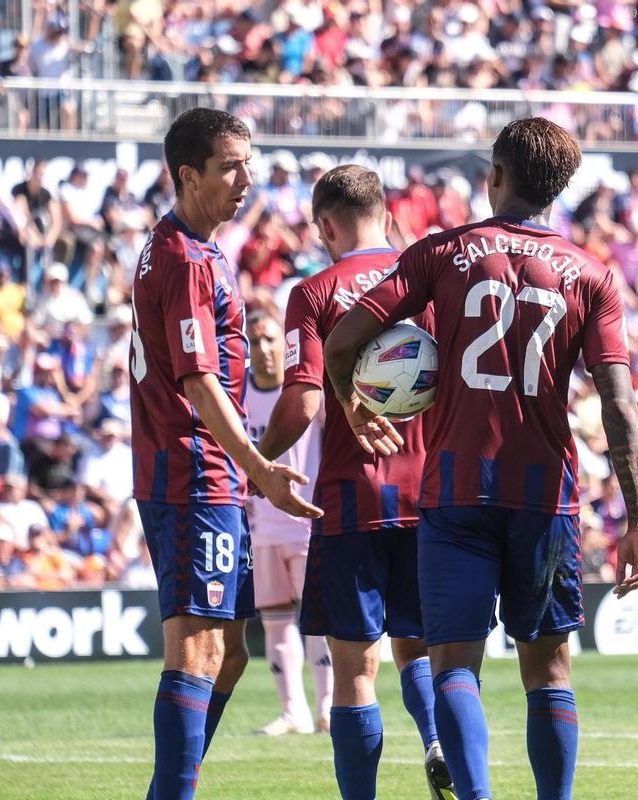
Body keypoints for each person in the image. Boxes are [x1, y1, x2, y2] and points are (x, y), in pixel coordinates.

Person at [324, 118, 638, 800]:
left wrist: (355, 406)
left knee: (454, 668)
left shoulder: (441, 253)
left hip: (456, 495)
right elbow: (620, 405)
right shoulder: (594, 276)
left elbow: (344, 339)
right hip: (545, 497)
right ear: (560, 188)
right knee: (550, 671)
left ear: (494, 176)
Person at [130, 107, 319, 800]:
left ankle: (174, 782)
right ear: (188, 175)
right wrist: (258, 467)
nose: (246, 180)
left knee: (232, 651)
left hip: (204, 472)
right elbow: (199, 381)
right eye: (229, 167)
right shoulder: (182, 257)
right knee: (199, 647)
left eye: (248, 163)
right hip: (190, 471)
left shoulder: (194, 248)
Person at [258, 165, 454, 800]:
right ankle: (437, 742)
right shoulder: (429, 284)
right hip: (430, 495)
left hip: (352, 498)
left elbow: (304, 401)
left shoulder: (314, 292)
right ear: (388, 216)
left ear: (324, 226)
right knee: (421, 647)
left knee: (353, 666)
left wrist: (256, 460)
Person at [244, 310, 334, 737]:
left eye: (269, 340)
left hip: (305, 523)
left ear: (285, 344)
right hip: (263, 527)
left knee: (317, 618)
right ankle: (292, 710)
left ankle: (328, 707)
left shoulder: (302, 392)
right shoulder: (238, 392)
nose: (262, 350)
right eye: (254, 341)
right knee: (275, 620)